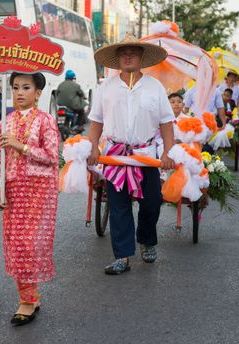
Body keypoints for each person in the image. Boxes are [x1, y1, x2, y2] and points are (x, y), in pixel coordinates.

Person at [88, 34, 175, 275]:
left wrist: (168, 151)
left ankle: (146, 239)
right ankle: (122, 256)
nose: (127, 55)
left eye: (133, 52)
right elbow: (96, 121)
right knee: (118, 206)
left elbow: (167, 123)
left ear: (141, 57)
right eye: (123, 52)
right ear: (117, 58)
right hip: (115, 156)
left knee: (152, 203)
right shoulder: (105, 88)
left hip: (146, 155)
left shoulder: (155, 87)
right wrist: (93, 147)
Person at [0, 72, 59, 326]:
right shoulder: (4, 122)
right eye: (15, 87)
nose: (20, 92)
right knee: (17, 244)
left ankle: (28, 301)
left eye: (26, 87)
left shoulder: (46, 121)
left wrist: (22, 146)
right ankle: (29, 298)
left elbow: (52, 156)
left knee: (30, 244)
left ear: (38, 93)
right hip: (13, 190)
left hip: (39, 190)